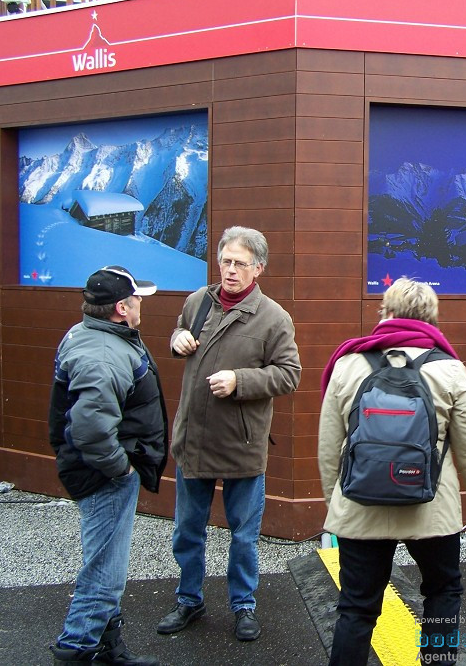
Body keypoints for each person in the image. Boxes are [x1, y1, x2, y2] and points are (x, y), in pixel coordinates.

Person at [318, 277, 466, 666]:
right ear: (433, 319)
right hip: (431, 510)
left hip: (360, 508)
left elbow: (329, 448)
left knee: (356, 608)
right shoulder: (449, 370)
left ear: (385, 312)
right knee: (442, 593)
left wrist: (337, 507)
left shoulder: (348, 365)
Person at [157, 226, 301, 642]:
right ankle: (189, 599)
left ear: (258, 268)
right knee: (187, 530)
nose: (230, 270)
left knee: (243, 535)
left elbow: (290, 375)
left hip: (242, 445)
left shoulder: (273, 317)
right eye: (225, 261)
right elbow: (180, 336)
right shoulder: (196, 302)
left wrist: (241, 381)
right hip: (194, 440)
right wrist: (177, 337)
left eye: (240, 263)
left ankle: (243, 605)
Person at [48, 265, 167, 666]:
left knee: (107, 559)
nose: (139, 305)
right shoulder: (102, 353)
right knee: (105, 569)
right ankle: (77, 647)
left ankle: (108, 647)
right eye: (136, 299)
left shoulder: (96, 334)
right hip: (104, 475)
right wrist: (121, 469)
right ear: (121, 307)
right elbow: (91, 428)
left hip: (102, 470)